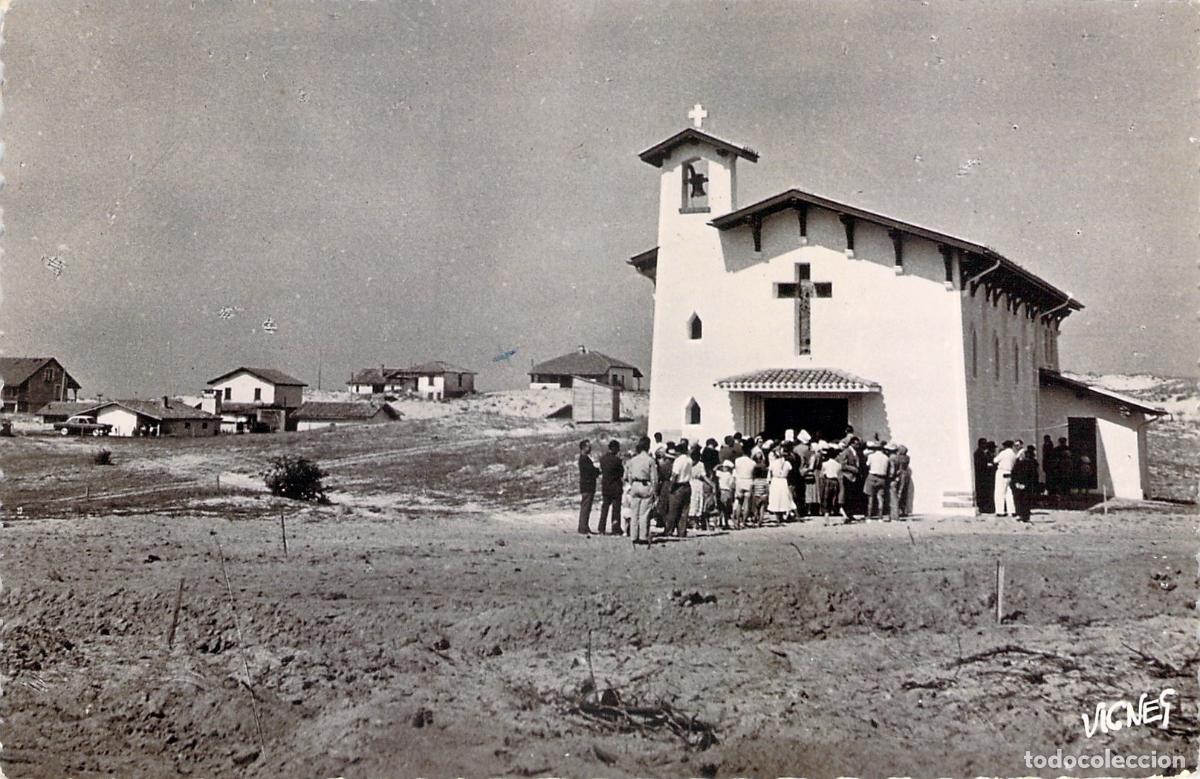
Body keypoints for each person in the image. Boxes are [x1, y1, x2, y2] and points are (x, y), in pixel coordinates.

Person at [625, 436, 659, 546]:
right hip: (645, 485)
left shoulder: (633, 460)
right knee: (644, 513)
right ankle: (643, 536)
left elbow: (628, 474)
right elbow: (654, 477)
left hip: (635, 484)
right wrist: (655, 491)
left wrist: (632, 484)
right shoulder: (650, 460)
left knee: (634, 512)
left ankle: (633, 536)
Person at [665, 443, 693, 538]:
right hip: (687, 485)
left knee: (673, 510)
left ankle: (669, 530)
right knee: (684, 510)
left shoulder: (678, 460)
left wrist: (671, 486)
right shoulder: (689, 460)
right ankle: (682, 531)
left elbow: (675, 474)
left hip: (678, 486)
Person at [597, 440, 624, 535]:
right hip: (615, 487)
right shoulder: (617, 460)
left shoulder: (603, 459)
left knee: (604, 508)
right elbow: (621, 473)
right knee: (616, 510)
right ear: (615, 448)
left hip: (606, 486)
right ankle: (615, 528)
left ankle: (601, 528)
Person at [1011, 444, 1039, 523]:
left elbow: (1014, 474)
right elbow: (1033, 475)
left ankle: (1021, 514)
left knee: (1019, 500)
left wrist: (1016, 483)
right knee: (1026, 501)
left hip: (1019, 484)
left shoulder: (1018, 464)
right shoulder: (1031, 464)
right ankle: (1025, 516)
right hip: (1026, 485)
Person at [864, 441, 892, 520]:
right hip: (882, 478)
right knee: (880, 498)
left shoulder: (871, 456)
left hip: (872, 476)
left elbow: (867, 465)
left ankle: (869, 517)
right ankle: (880, 517)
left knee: (870, 497)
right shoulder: (886, 458)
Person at [767, 447, 794, 523]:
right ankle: (782, 515)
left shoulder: (773, 463)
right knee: (783, 498)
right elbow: (790, 470)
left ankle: (778, 517)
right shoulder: (787, 463)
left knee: (776, 498)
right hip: (783, 480)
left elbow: (770, 471)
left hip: (775, 481)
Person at [577, 440, 599, 535]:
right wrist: (597, 471)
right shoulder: (584, 459)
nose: (590, 448)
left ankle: (584, 526)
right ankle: (583, 527)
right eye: (588, 446)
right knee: (586, 506)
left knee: (586, 506)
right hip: (587, 485)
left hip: (587, 485)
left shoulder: (584, 458)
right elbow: (591, 471)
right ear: (583, 447)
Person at [837, 438, 861, 521]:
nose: (858, 446)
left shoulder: (855, 452)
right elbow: (843, 465)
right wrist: (853, 469)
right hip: (847, 476)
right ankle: (847, 512)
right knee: (847, 495)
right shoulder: (846, 452)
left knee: (852, 496)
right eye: (856, 444)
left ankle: (850, 513)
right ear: (852, 444)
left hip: (853, 476)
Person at [993, 440, 1018, 517]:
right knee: (1009, 492)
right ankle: (1012, 510)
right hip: (1009, 472)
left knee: (999, 492)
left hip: (1002, 471)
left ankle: (1000, 511)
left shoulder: (1003, 453)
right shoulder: (1013, 454)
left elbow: (995, 460)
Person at [732, 447, 756, 530]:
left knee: (739, 502)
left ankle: (737, 521)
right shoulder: (752, 462)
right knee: (746, 503)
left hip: (740, 481)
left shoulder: (737, 461)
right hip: (748, 481)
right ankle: (743, 522)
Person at [889, 444, 912, 521]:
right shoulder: (907, 458)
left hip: (900, 475)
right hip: (905, 475)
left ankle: (897, 510)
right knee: (903, 492)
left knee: (899, 492)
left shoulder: (899, 458)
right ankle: (902, 510)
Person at [819, 448, 842, 523]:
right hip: (835, 481)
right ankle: (835, 511)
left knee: (826, 499)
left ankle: (826, 517)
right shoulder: (838, 465)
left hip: (827, 481)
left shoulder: (825, 464)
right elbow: (839, 475)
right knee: (833, 498)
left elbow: (821, 475)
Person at [972, 438, 994, 514]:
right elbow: (979, 465)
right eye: (984, 444)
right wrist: (987, 465)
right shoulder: (978, 453)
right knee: (982, 492)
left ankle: (985, 507)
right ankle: (982, 508)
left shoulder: (983, 453)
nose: (985, 445)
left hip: (985, 476)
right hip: (981, 476)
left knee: (985, 492)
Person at [715, 460, 735, 529]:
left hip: (722, 491)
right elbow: (732, 485)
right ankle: (725, 523)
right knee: (726, 509)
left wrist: (718, 466)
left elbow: (714, 470)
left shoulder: (721, 474)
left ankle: (721, 522)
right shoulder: (730, 475)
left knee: (721, 508)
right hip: (728, 491)